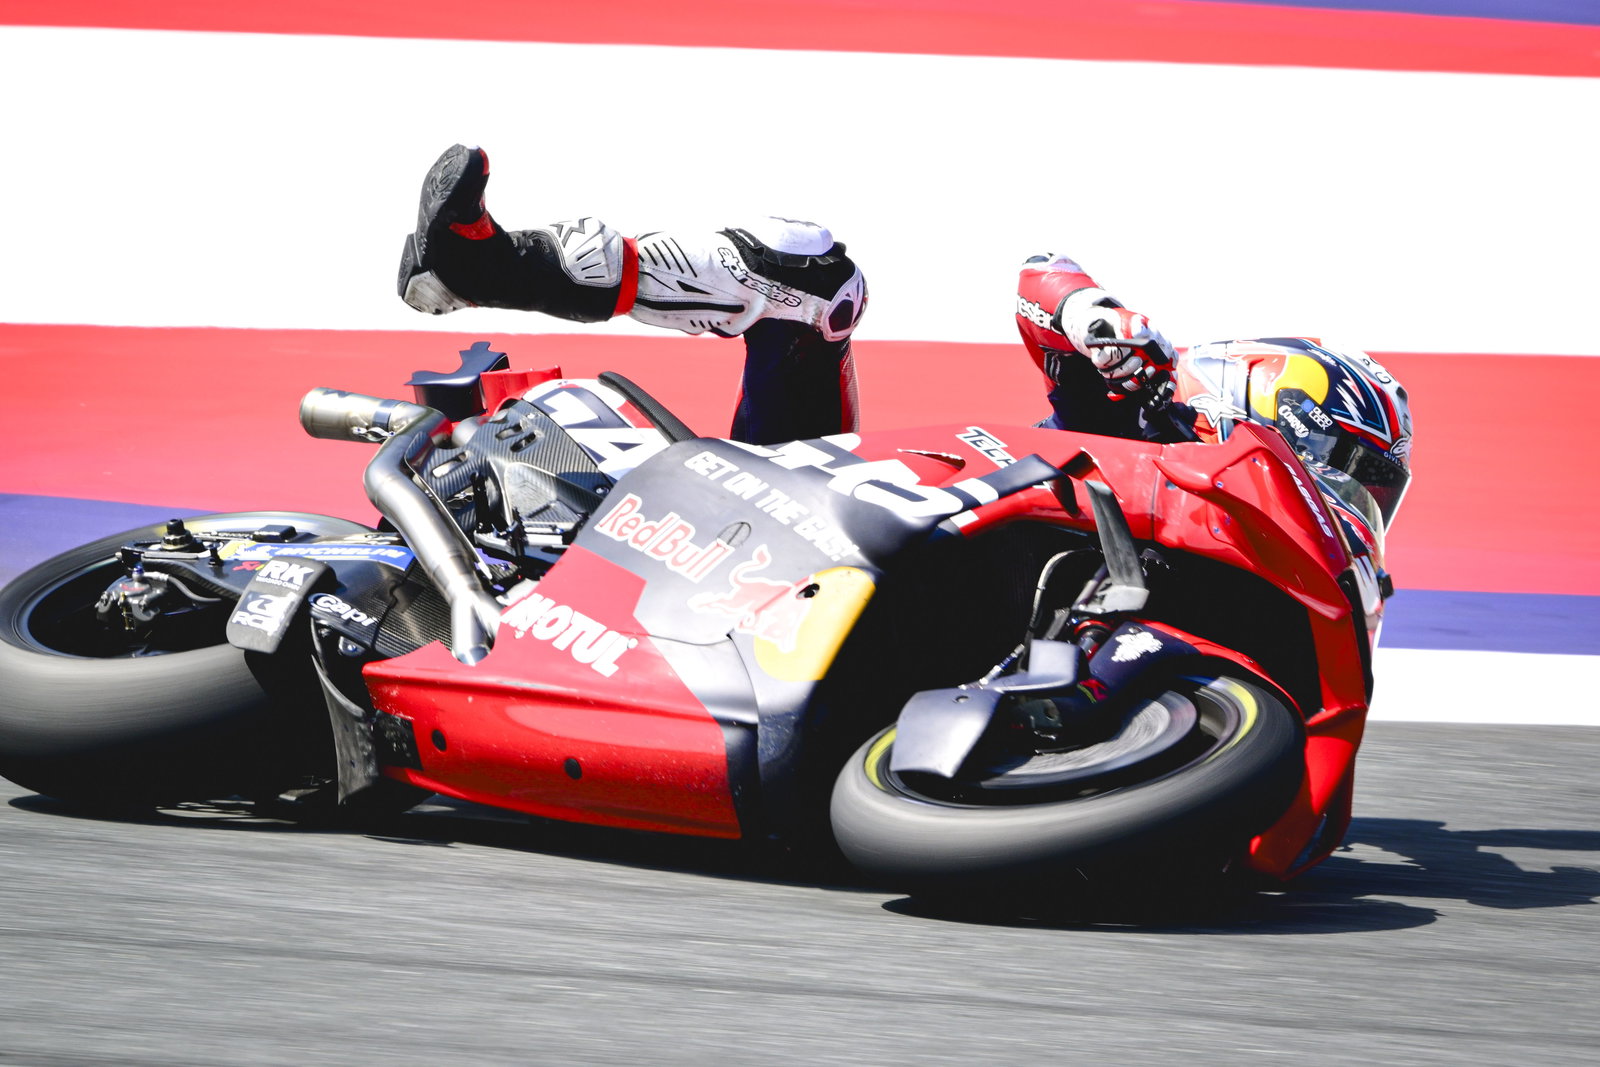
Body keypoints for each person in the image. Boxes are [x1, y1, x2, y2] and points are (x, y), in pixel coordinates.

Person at [396, 144, 866, 446]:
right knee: (810, 283)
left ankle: (484, 271)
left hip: (802, 565)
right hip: (784, 519)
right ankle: (485, 269)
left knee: (817, 288)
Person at [1014, 252, 1414, 536]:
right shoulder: (1137, 421)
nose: (1351, 508)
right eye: (1350, 480)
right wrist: (1093, 318)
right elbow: (1040, 273)